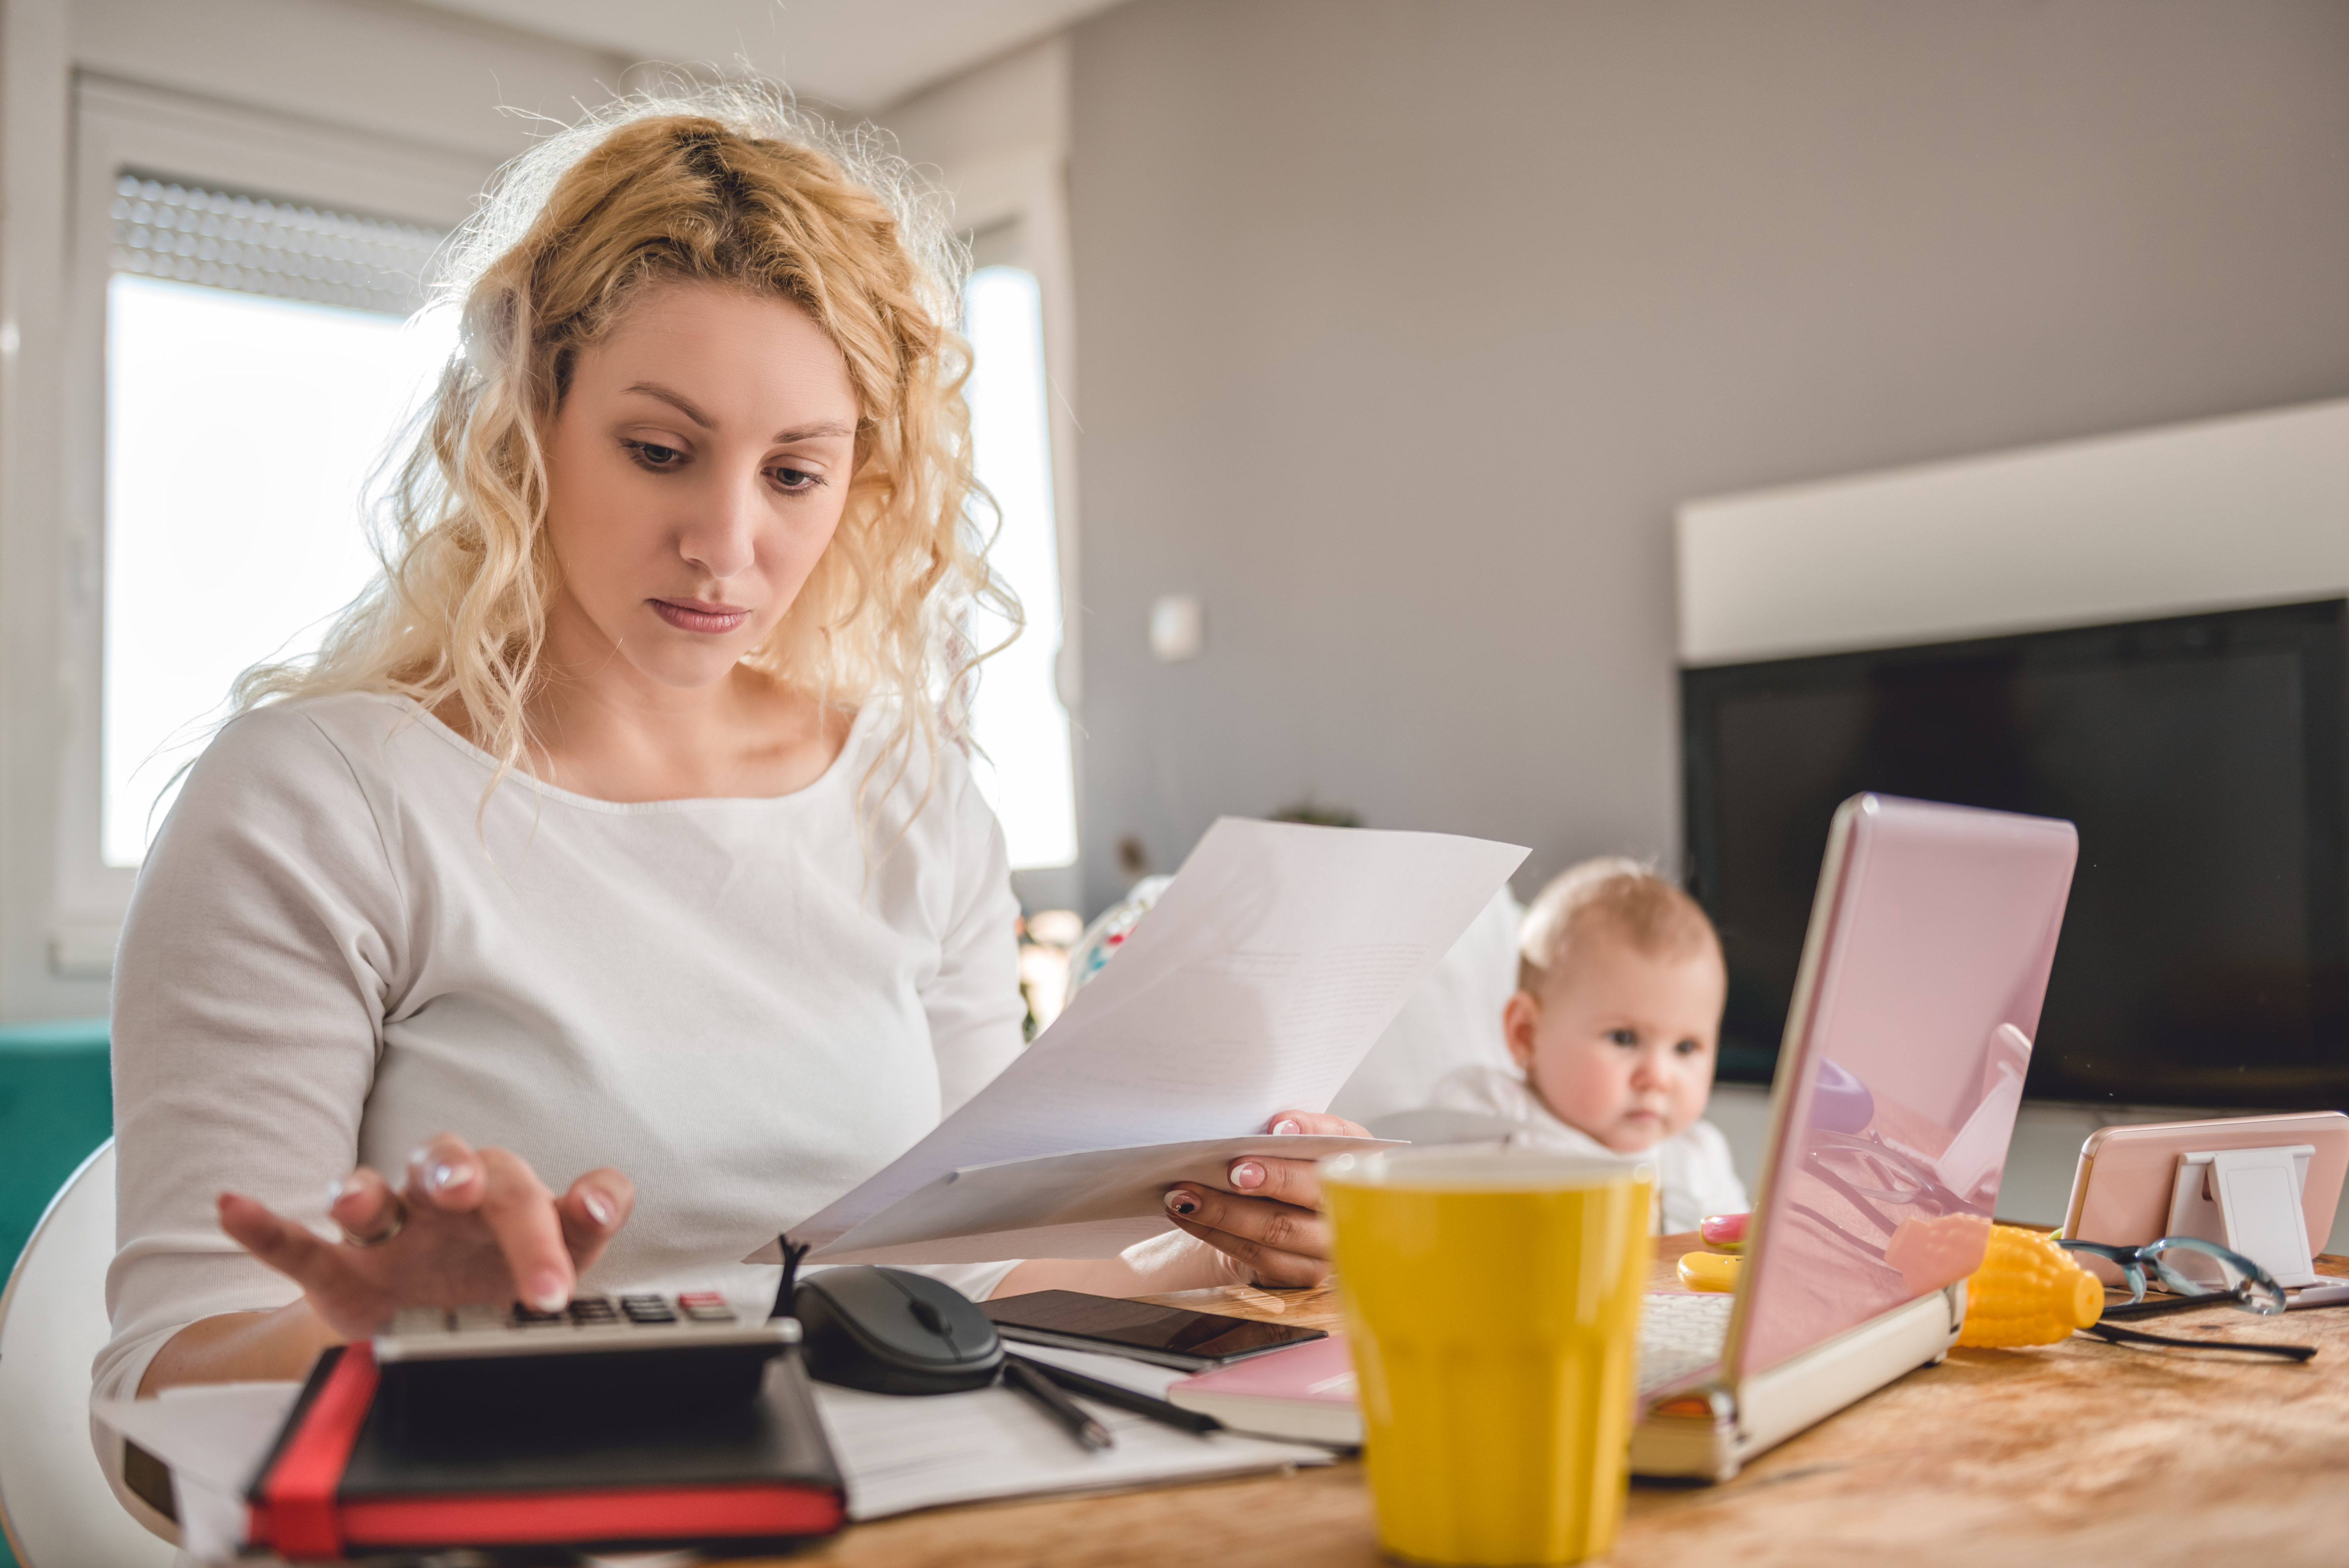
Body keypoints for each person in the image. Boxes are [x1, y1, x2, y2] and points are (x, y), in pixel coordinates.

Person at [95, 88, 1359, 1420]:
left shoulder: (909, 794)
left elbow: (974, 1273)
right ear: (526, 428)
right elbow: (158, 1375)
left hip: (910, 1504)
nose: (725, 541)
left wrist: (1214, 1230)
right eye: (659, 451)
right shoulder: (316, 800)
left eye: (795, 474)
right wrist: (377, 1331)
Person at [1422, 858, 1747, 1233]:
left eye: (1686, 1047)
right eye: (1624, 1038)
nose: (1657, 1077)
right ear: (1527, 1034)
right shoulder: (1490, 1112)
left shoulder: (1697, 1160)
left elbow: (1736, 1266)